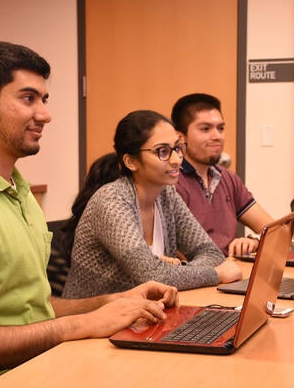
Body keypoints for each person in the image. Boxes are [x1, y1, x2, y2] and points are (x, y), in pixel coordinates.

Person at [0, 41, 178, 387]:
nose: (45, 114)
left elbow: (32, 311)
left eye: (44, 100)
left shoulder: (18, 189)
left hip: (45, 364)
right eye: (28, 99)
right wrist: (84, 325)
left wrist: (114, 302)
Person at [61, 110, 242, 299]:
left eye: (177, 148)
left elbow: (210, 252)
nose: (176, 160)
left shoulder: (167, 194)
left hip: (145, 314)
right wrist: (216, 274)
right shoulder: (111, 201)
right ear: (131, 161)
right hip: (93, 321)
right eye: (162, 151)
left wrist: (180, 269)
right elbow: (152, 275)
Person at [171, 93, 275, 257]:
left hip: (232, 273)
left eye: (220, 128)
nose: (217, 136)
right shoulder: (171, 181)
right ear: (180, 137)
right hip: (198, 278)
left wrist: (253, 241)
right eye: (205, 129)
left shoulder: (227, 178)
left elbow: (273, 230)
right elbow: (173, 252)